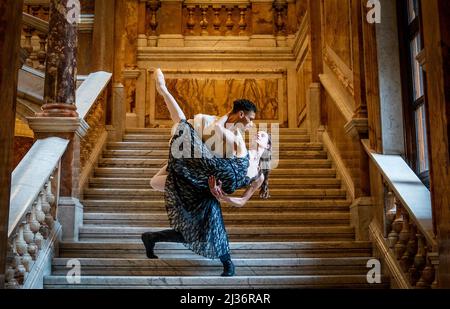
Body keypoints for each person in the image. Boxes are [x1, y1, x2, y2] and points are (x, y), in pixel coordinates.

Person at [141, 68, 272, 277]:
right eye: (258, 130)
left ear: (269, 145)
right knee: (183, 129)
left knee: (200, 230)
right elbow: (221, 129)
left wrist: (223, 196)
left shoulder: (259, 177)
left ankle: (152, 237)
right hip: (206, 167)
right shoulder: (241, 147)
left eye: (264, 135)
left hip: (207, 188)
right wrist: (224, 118)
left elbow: (242, 201)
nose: (259, 132)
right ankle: (164, 89)